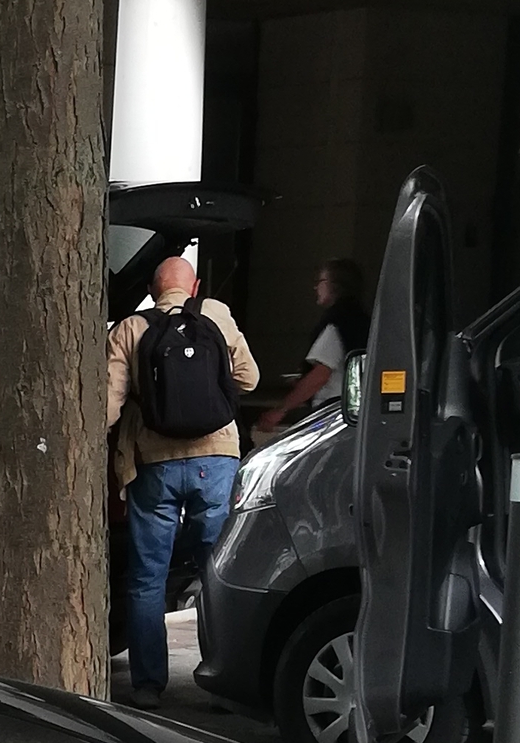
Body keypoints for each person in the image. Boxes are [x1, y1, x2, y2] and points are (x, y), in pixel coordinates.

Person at [106, 251, 260, 710]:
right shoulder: (215, 314)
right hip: (216, 459)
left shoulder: (131, 329)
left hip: (153, 462)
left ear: (154, 291)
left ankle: (149, 684)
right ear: (193, 289)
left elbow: (107, 407)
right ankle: (223, 679)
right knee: (216, 570)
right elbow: (248, 379)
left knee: (147, 576)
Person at [257, 257, 367, 433]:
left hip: (332, 413)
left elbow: (320, 375)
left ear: (336, 285)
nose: (316, 288)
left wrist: (281, 410)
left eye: (321, 281)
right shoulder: (362, 321)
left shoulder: (338, 323)